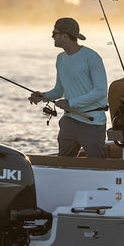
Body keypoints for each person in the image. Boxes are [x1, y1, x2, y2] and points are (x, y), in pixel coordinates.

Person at [29, 16, 109, 159]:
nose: (52, 37)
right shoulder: (60, 59)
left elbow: (101, 91)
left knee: (99, 165)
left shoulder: (91, 57)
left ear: (64, 36)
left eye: (54, 34)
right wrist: (43, 96)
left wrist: (71, 103)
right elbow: (59, 90)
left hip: (92, 121)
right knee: (63, 164)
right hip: (69, 122)